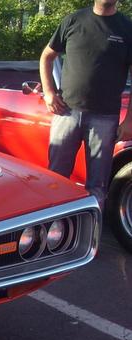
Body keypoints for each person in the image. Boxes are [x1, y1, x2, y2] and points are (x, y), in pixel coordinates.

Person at [39, 0, 132, 209]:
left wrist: (129, 121)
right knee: (55, 178)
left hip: (105, 118)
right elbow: (47, 56)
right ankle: (53, 231)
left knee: (97, 186)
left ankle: (92, 237)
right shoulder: (73, 20)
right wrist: (49, 92)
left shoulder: (127, 29)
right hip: (66, 112)